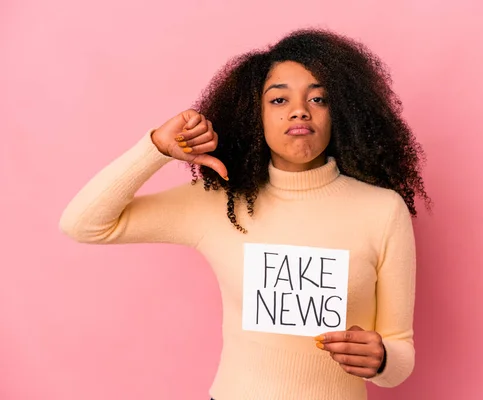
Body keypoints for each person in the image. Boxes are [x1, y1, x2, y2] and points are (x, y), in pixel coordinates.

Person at [59, 28, 430, 400]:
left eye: (318, 98)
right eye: (279, 100)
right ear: (256, 115)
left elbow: (400, 352)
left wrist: (381, 359)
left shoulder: (382, 210)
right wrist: (155, 148)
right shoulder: (220, 203)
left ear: (342, 112)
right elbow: (83, 224)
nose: (300, 109)